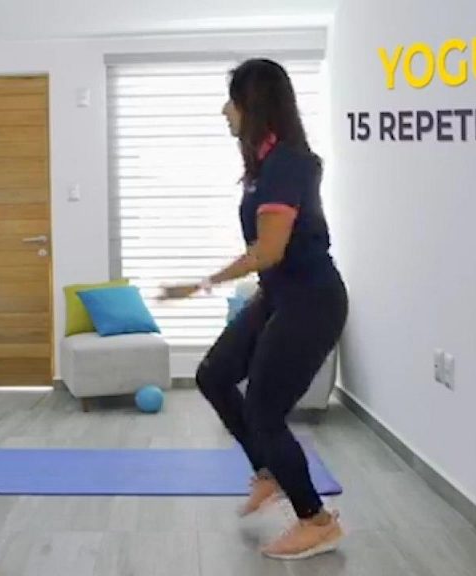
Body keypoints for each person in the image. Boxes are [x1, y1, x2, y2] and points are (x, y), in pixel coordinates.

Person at [159, 58, 349, 559]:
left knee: (265, 411)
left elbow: (268, 251)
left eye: (232, 101)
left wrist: (201, 284)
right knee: (214, 375)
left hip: (312, 300)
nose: (225, 111)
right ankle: (269, 471)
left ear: (254, 105)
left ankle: (317, 521)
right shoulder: (267, 166)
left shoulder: (288, 164)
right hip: (280, 295)